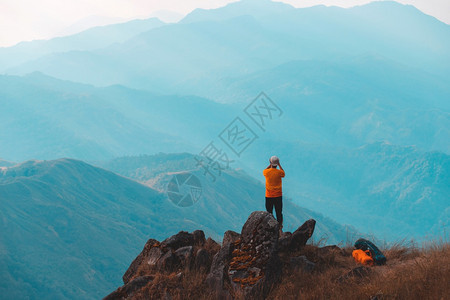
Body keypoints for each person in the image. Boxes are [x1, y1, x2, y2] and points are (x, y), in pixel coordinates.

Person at [263, 155, 285, 232]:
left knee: (269, 213)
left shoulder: (266, 172)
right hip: (278, 195)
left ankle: (270, 228)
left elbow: (265, 170)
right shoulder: (279, 173)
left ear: (270, 162)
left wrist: (270, 164)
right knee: (279, 212)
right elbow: (283, 173)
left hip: (269, 196)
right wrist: (279, 165)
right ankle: (279, 228)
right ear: (277, 163)